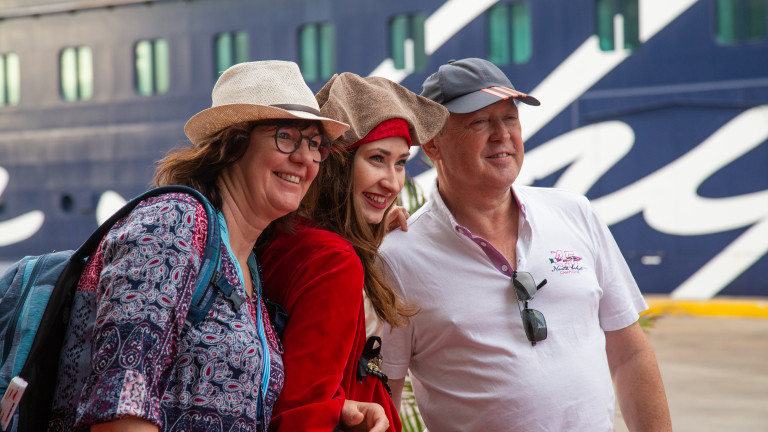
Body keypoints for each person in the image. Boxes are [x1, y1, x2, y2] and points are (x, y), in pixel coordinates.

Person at [46, 61, 387, 432]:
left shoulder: (246, 265)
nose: (305, 158)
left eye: (315, 144)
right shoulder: (174, 222)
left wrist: (338, 410)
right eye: (286, 137)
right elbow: (121, 402)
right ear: (232, 145)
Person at [378, 58, 673, 431]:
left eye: (510, 118)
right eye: (479, 122)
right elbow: (384, 395)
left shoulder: (575, 214)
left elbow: (629, 353)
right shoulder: (397, 258)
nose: (502, 134)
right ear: (433, 144)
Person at [257, 72, 448, 431]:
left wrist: (367, 238)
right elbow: (304, 411)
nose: (393, 182)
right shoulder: (334, 260)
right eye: (376, 159)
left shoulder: (284, 235)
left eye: (400, 162)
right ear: (338, 166)